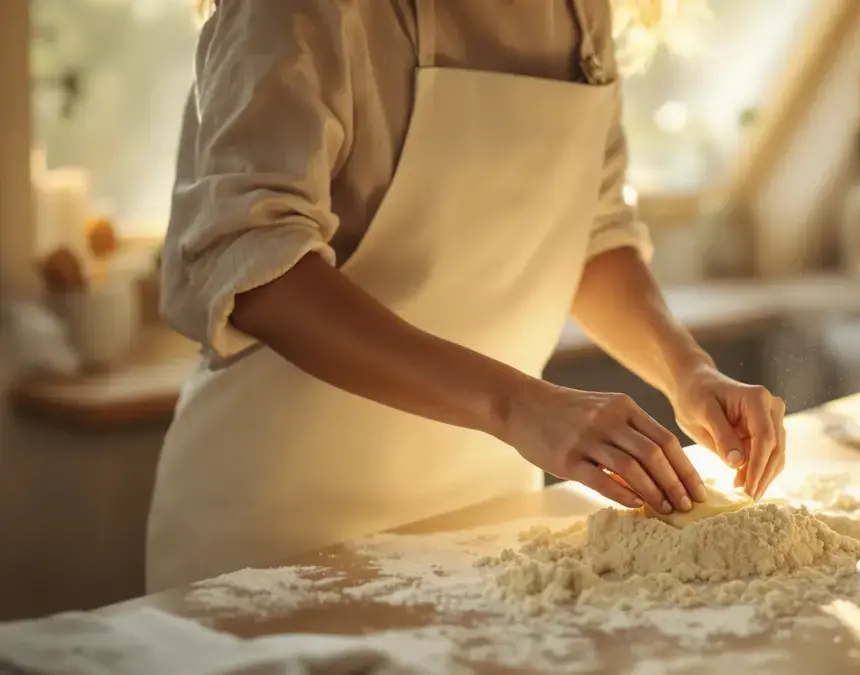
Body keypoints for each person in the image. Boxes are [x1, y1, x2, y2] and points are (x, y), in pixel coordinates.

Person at [147, 0, 787, 593]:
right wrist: (516, 405)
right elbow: (258, 267)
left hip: (486, 518)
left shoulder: (580, 11)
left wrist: (686, 371)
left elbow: (591, 233)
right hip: (281, 533)